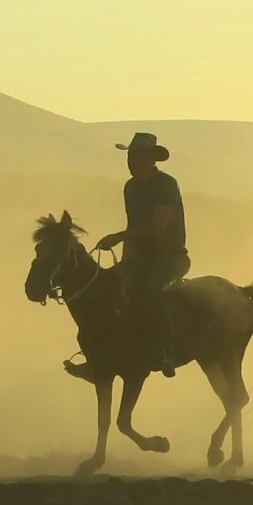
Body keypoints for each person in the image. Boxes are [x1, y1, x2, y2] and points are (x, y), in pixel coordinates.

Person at [96, 132, 188, 374]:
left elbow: (157, 229)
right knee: (107, 288)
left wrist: (118, 237)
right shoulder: (131, 187)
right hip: (138, 260)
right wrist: (126, 260)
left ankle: (163, 350)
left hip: (170, 258)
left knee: (151, 292)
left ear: (151, 158)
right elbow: (135, 227)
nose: (130, 161)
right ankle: (102, 353)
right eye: (129, 155)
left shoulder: (166, 185)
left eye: (135, 156)